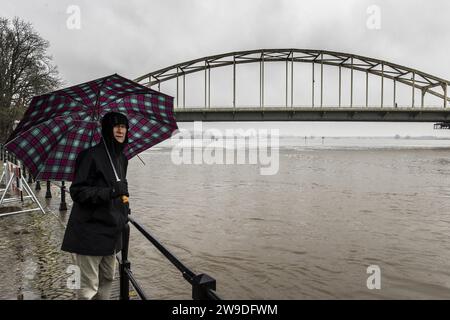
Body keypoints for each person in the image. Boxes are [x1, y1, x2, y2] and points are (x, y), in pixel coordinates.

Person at [61, 111, 130, 300]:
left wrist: (124, 205)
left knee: (108, 278)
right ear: (107, 129)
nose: (120, 130)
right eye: (115, 126)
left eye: (123, 126)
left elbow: (118, 189)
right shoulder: (89, 155)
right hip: (90, 231)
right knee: (88, 287)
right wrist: (111, 191)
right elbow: (77, 192)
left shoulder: (122, 158)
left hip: (111, 232)